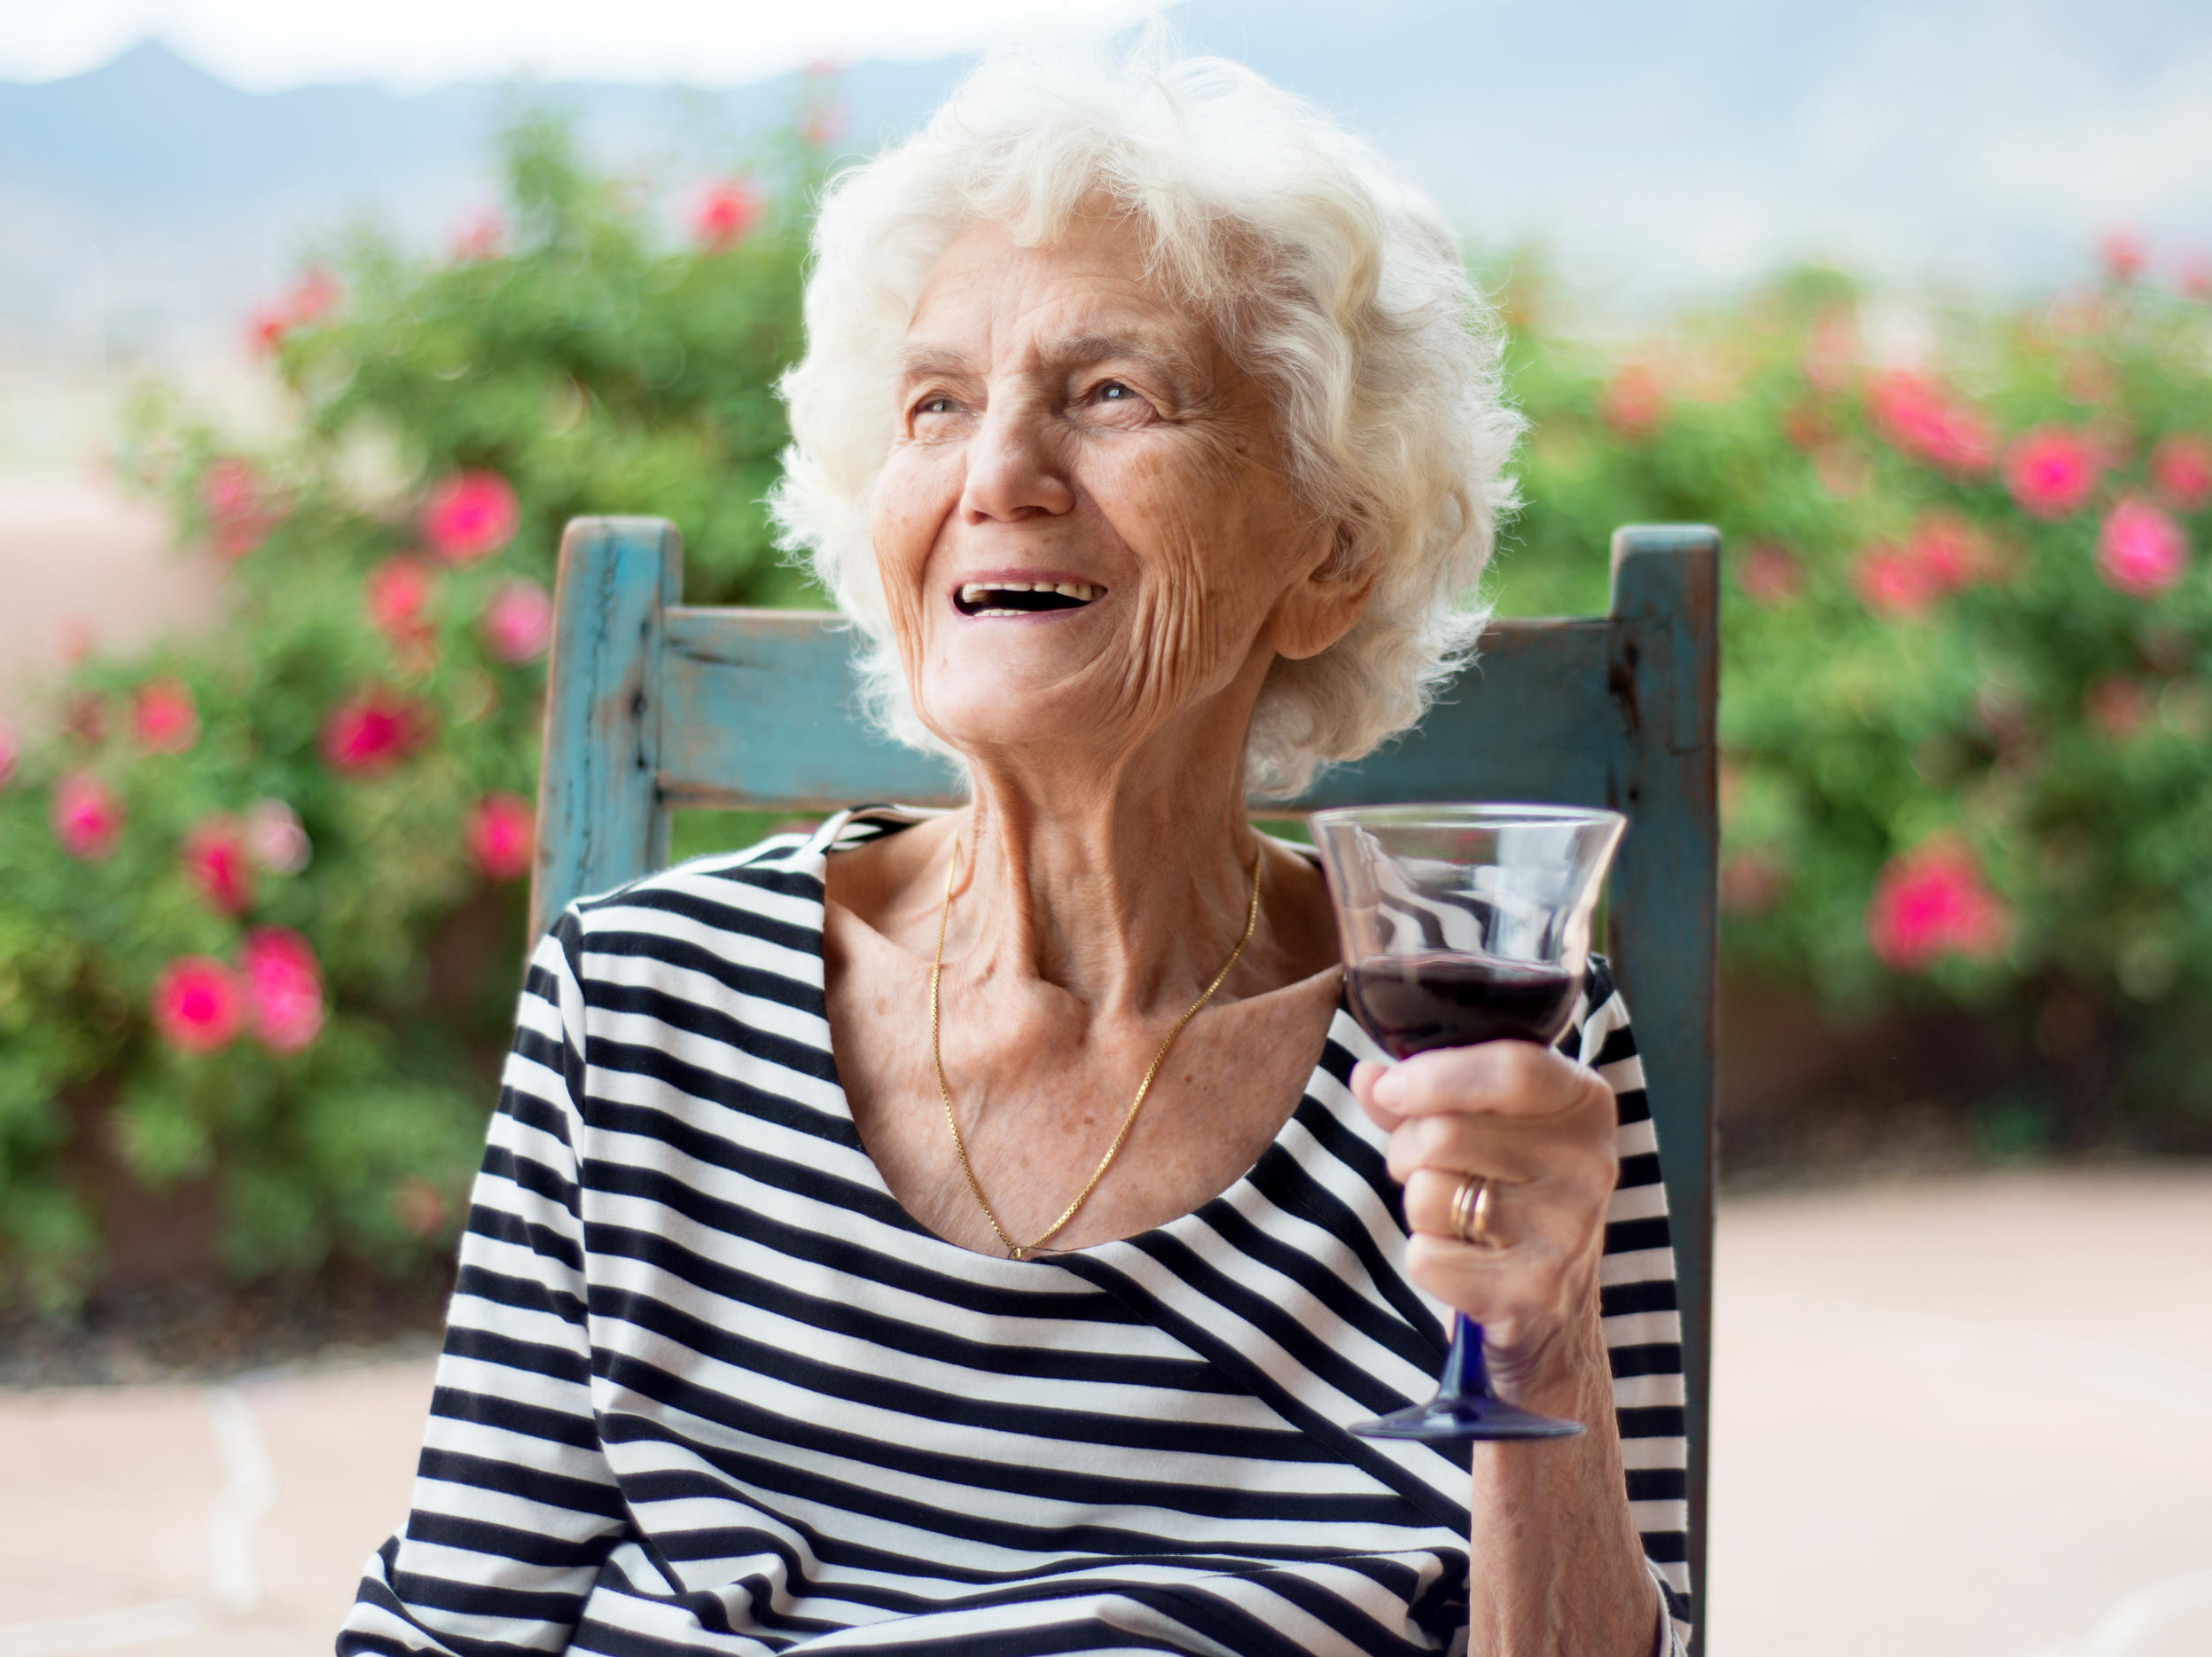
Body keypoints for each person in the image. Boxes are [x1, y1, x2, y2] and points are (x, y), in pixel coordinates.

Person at [344, 38, 1688, 1657]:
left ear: (1328, 552)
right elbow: (446, 1631)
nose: (997, 476)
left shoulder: (1485, 1057)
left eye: (1112, 394)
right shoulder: (640, 1011)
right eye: (937, 405)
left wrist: (1535, 1340)